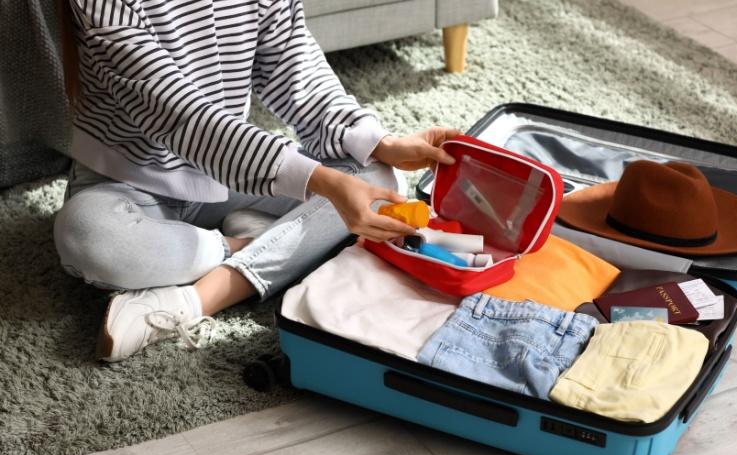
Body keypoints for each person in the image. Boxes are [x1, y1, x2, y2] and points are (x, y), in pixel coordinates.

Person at [53, 0, 460, 362]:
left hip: (229, 176)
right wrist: (322, 183)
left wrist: (381, 142)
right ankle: (250, 246)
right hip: (128, 180)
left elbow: (295, 67)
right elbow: (176, 114)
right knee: (87, 234)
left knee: (377, 180)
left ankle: (197, 297)